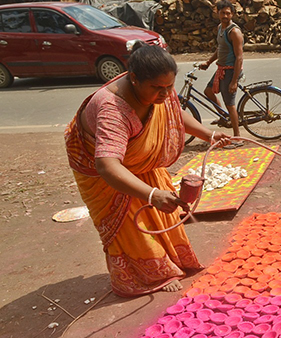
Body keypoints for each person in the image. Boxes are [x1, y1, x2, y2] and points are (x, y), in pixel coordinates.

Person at [65, 42, 231, 297]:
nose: (165, 93)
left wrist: (208, 134)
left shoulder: (161, 88)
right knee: (131, 223)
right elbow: (108, 166)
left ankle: (168, 259)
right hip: (104, 169)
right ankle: (146, 275)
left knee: (163, 213)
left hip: (137, 162)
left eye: (169, 87)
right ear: (134, 79)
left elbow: (174, 113)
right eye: (157, 88)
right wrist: (151, 195)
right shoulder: (113, 109)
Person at [200, 0, 244, 147]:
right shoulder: (220, 28)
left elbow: (239, 57)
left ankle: (238, 137)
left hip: (231, 71)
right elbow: (220, 49)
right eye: (222, 13)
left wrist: (234, 81)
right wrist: (208, 62)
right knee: (208, 91)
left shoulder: (234, 32)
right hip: (221, 69)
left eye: (228, 13)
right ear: (218, 13)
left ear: (232, 14)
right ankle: (223, 116)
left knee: (230, 104)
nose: (225, 15)